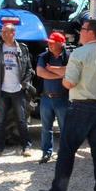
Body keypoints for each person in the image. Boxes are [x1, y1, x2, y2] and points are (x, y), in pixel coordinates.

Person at [38, 19, 96, 191]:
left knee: (67, 149)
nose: (79, 32)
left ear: (90, 32)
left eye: (82, 29)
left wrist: (63, 80)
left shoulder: (79, 53)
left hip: (82, 106)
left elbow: (69, 82)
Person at [0, 23, 34, 157]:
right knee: (0, 120)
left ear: (14, 33)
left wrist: (24, 84)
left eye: (8, 32)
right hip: (1, 90)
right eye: (3, 32)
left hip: (18, 90)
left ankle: (26, 147)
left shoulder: (22, 49)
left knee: (21, 120)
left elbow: (29, 69)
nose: (5, 34)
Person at [36, 32, 70, 163]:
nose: (49, 44)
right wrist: (60, 73)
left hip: (63, 99)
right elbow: (40, 72)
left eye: (52, 42)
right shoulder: (44, 57)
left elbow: (69, 71)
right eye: (49, 42)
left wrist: (52, 69)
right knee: (46, 128)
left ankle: (64, 154)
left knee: (65, 129)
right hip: (46, 99)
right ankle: (46, 153)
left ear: (61, 43)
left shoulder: (69, 57)